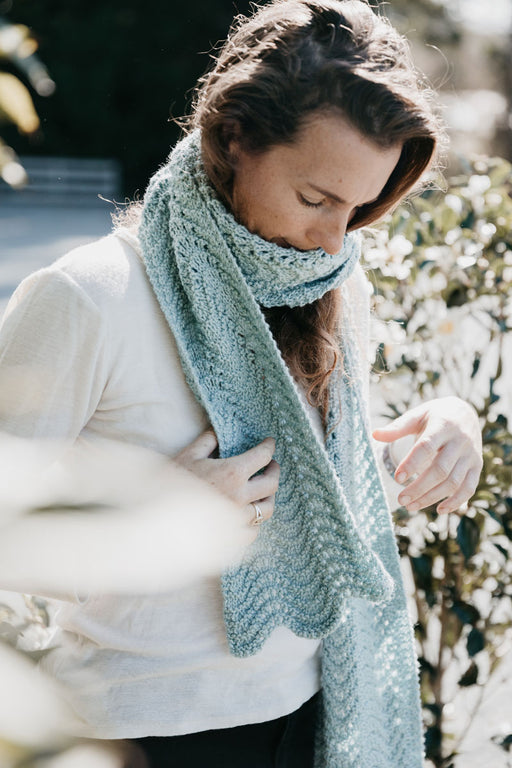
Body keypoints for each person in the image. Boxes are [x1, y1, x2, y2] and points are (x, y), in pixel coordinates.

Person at [0, 1, 483, 767]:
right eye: (316, 199)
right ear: (235, 138)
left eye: (359, 210)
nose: (334, 239)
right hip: (137, 734)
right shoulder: (89, 296)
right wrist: (149, 516)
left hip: (310, 717)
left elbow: (315, 499)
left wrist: (446, 425)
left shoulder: (330, 284)